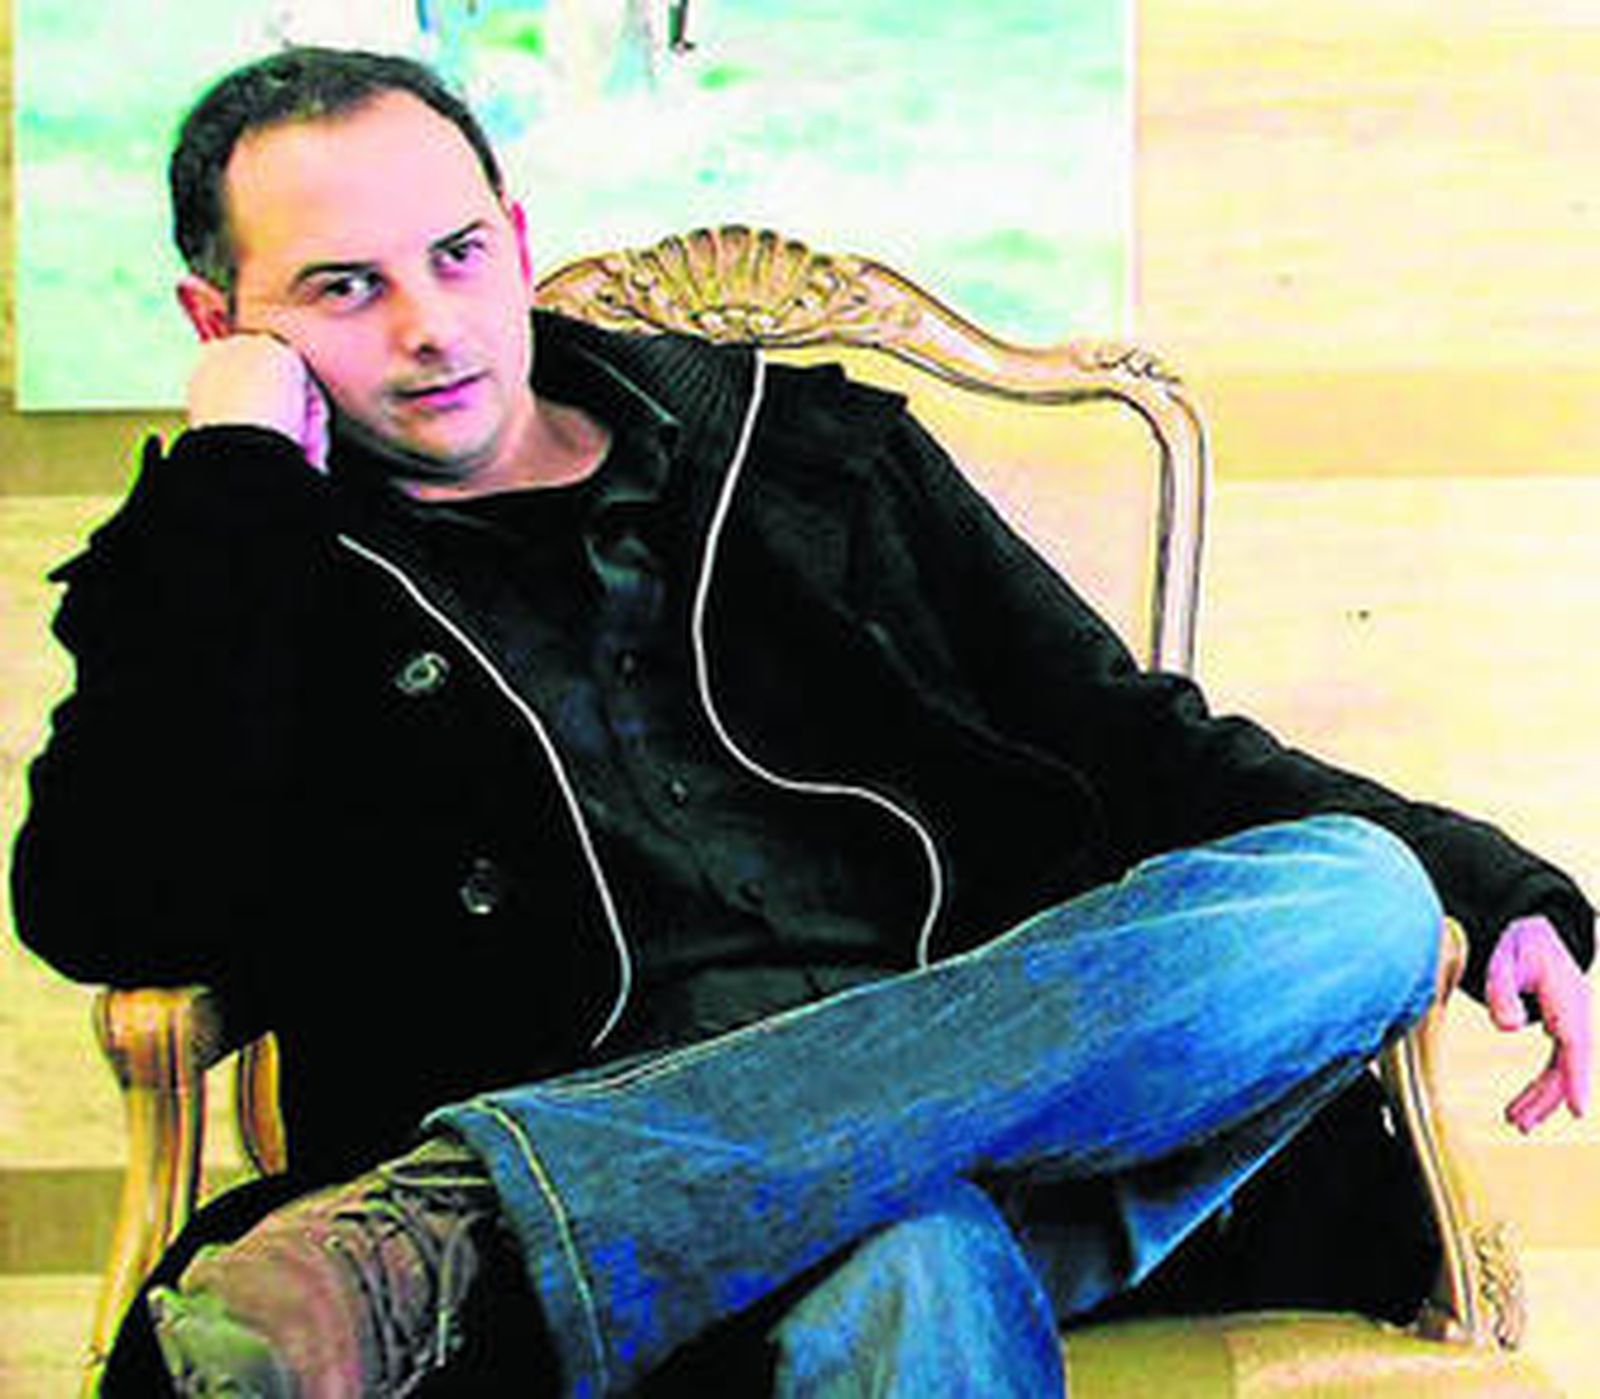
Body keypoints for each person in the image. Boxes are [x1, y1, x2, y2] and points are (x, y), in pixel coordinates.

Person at [11, 46, 1592, 1398]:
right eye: (343, 288)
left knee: (1362, 900)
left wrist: (1491, 882)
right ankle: (634, 1200)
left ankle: (488, 1221)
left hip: (987, 1097)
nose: (431, 325)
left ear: (517, 235)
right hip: (707, 1220)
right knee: (910, 1247)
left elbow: (1131, 738)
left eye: (458, 254)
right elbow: (117, 910)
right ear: (221, 321)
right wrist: (240, 485)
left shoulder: (804, 454)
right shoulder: (235, 566)